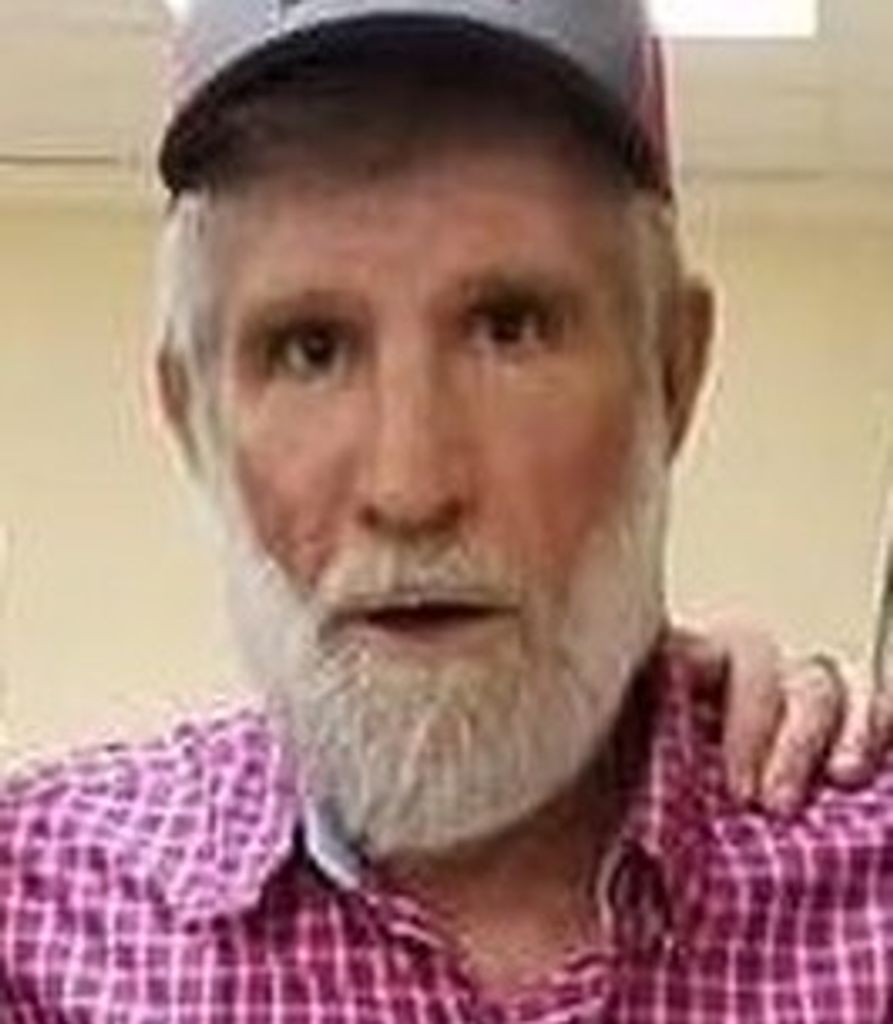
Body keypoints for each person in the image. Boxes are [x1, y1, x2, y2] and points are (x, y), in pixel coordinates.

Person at [1, 0, 891, 1019]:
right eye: (310, 349)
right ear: (190, 417)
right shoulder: (35, 919)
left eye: (509, 329)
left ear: (671, 371)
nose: (410, 487)